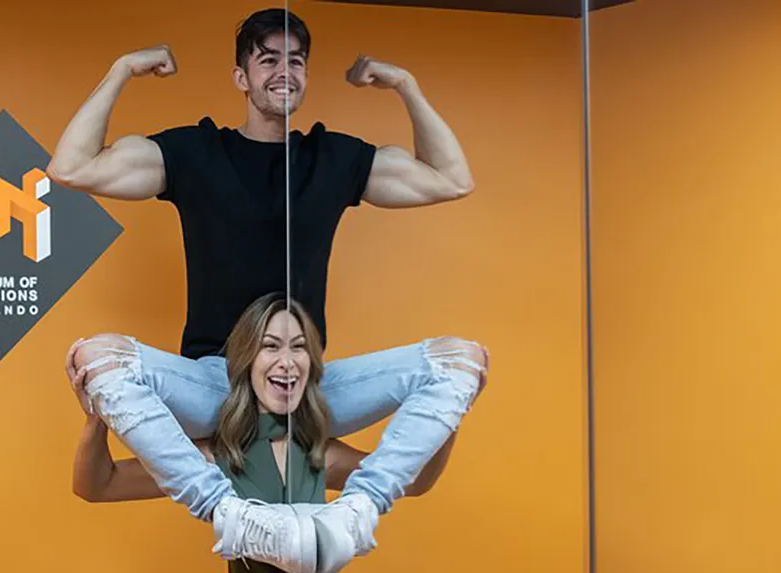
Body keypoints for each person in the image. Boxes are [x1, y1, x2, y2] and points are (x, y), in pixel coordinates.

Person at [49, 7, 490, 572]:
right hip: (215, 385)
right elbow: (72, 168)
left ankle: (358, 512)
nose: (285, 71)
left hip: (302, 384)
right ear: (242, 77)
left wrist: (405, 85)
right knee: (97, 356)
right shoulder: (195, 153)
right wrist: (122, 69)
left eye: (297, 60)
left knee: (460, 361)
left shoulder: (332, 159)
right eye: (269, 60)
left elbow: (453, 179)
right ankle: (227, 515)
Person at [67, 293, 466, 573]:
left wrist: (445, 418)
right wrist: (97, 415)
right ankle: (232, 516)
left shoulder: (317, 456)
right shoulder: (214, 459)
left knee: (458, 360)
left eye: (298, 348)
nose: (286, 361)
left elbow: (414, 482)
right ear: (246, 361)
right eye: (270, 346)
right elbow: (97, 486)